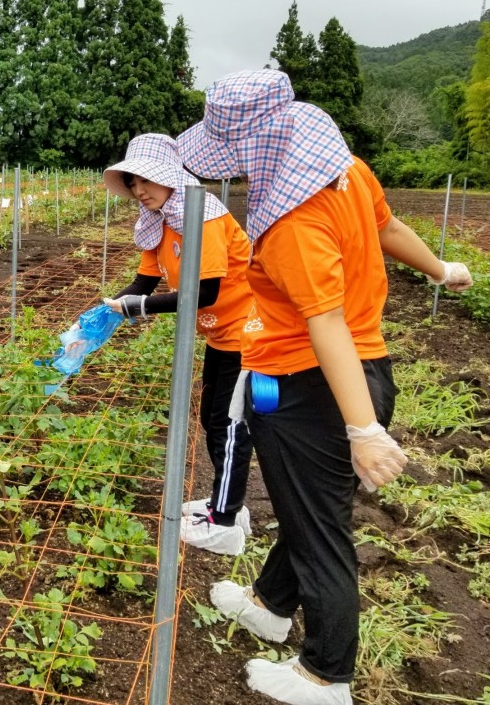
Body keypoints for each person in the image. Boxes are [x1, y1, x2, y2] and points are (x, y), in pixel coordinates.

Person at [176, 69, 474, 705]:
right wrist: (443, 268)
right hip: (364, 368)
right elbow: (389, 230)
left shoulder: (294, 224)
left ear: (255, 148)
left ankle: (325, 674)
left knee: (320, 532)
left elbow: (326, 321)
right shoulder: (346, 170)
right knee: (305, 509)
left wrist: (362, 429)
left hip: (311, 387)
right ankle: (270, 605)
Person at [101, 133, 255, 556]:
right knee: (214, 416)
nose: (139, 191)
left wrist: (141, 309)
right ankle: (229, 505)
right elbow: (144, 281)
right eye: (132, 184)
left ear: (170, 175)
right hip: (222, 333)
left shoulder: (202, 217)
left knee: (228, 423)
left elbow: (201, 293)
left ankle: (225, 521)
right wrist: (112, 306)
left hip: (249, 331)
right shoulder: (160, 222)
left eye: (146, 180)